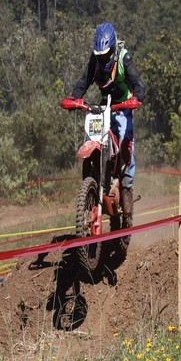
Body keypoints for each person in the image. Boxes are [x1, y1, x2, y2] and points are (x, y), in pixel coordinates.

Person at [65, 21, 146, 229]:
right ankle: (93, 181)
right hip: (105, 105)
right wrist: (73, 97)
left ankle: (126, 188)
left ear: (112, 48)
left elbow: (138, 83)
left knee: (127, 143)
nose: (103, 59)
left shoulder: (124, 57)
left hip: (123, 105)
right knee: (93, 136)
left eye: (106, 54)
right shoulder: (95, 60)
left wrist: (137, 97)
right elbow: (84, 81)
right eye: (100, 55)